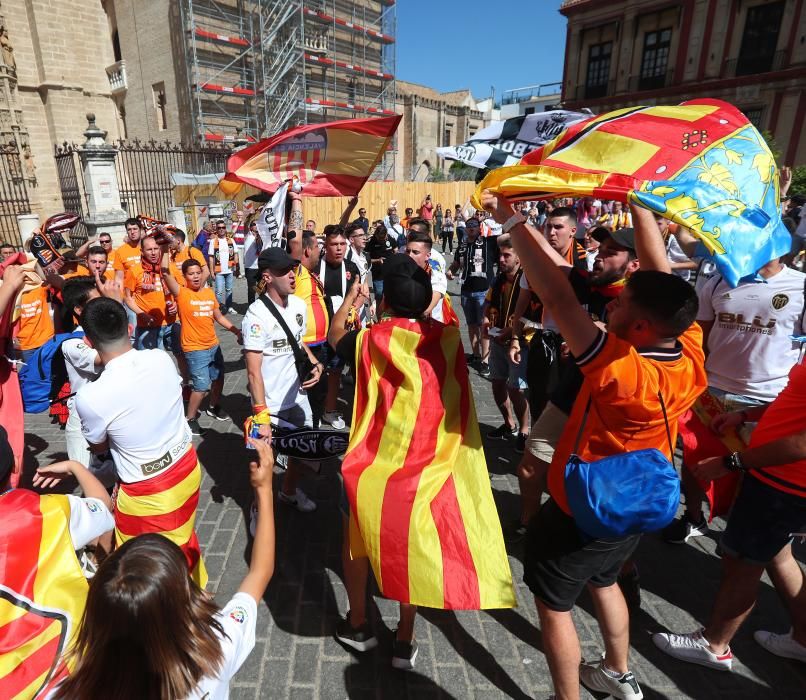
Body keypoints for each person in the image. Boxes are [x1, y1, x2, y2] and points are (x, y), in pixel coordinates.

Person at [483, 191, 706, 700]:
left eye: (624, 303)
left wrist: (511, 218)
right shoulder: (689, 349)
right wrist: (640, 205)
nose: (616, 304)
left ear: (643, 324)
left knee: (554, 603)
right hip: (637, 501)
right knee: (605, 581)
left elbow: (559, 298)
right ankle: (617, 670)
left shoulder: (619, 369)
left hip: (583, 504)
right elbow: (660, 274)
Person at [51, 437, 276, 700]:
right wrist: (264, 490)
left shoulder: (70, 685)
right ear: (184, 602)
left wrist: (78, 468)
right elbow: (260, 571)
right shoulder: (216, 650)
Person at [653, 361, 806, 670]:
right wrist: (746, 415)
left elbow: (803, 443)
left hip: (783, 483)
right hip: (778, 480)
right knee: (777, 555)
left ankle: (714, 645)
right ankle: (803, 639)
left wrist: (732, 462)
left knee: (744, 564)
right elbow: (795, 399)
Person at [663, 249, 805, 543]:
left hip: (765, 400)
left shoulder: (801, 286)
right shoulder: (717, 280)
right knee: (694, 461)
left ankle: (741, 534)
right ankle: (693, 517)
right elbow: (699, 336)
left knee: (751, 472)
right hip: (710, 393)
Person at [75, 297, 208, 586]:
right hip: (186, 467)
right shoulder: (160, 357)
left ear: (87, 341)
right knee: (181, 545)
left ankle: (179, 618)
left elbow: (98, 447)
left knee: (149, 577)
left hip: (148, 494)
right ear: (129, 326)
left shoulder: (90, 397)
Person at [0, 443, 115, 695]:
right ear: (16, 467)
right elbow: (103, 506)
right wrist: (76, 467)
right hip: (69, 672)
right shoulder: (48, 511)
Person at [242, 247, 324, 513]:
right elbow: (253, 372)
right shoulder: (255, 316)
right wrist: (261, 415)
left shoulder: (299, 305)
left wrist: (315, 363)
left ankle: (288, 493)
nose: (292, 275)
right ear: (267, 277)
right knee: (265, 464)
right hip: (270, 407)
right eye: (283, 271)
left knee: (301, 454)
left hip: (298, 400)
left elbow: (298, 342)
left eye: (293, 269)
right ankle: (258, 509)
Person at [161, 256, 242, 435]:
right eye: (191, 274)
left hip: (213, 346)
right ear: (184, 277)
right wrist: (165, 248)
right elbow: (165, 271)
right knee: (201, 386)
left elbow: (218, 317)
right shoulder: (182, 293)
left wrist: (236, 331)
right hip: (195, 349)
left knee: (219, 378)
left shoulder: (208, 293)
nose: (196, 276)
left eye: (198, 273)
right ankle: (189, 419)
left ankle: (213, 407)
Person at [484, 235, 529, 452]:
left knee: (515, 388)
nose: (501, 259)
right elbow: (488, 301)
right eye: (500, 255)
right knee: (497, 383)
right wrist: (485, 319)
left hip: (519, 342)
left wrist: (511, 333)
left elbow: (530, 314)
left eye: (506, 255)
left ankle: (524, 429)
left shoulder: (528, 280)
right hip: (497, 339)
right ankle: (508, 423)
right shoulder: (499, 279)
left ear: (519, 258)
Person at [320, 226, 361, 430]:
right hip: (319, 330)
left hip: (343, 329)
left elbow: (361, 292)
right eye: (334, 244)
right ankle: (318, 409)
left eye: (342, 244)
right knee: (319, 371)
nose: (339, 248)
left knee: (339, 371)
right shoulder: (315, 267)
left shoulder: (352, 267)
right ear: (325, 245)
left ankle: (334, 410)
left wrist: (355, 308)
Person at [448, 217, 494, 375]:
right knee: (472, 325)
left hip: (483, 291)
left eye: (474, 226)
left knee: (484, 326)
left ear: (480, 227)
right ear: (466, 228)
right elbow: (456, 263)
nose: (471, 229)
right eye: (469, 226)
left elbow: (507, 236)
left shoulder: (488, 243)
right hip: (466, 290)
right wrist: (450, 271)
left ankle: (485, 360)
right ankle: (475, 355)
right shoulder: (462, 245)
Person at [123, 235, 176, 351]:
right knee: (150, 363)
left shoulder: (169, 268)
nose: (153, 253)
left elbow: (181, 291)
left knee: (180, 357)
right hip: (147, 325)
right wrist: (142, 314)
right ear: (142, 251)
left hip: (170, 322)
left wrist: (176, 304)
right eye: (149, 249)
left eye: (156, 249)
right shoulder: (134, 270)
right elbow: (127, 298)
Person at [404, 229, 449, 323]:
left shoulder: (435, 274)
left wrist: (423, 313)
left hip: (429, 328)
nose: (410, 255)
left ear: (427, 256)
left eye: (415, 252)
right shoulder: (401, 270)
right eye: (408, 251)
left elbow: (434, 297)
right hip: (403, 327)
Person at [208, 220, 238, 315]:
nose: (221, 229)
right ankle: (219, 308)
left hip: (229, 270)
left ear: (225, 229)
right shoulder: (213, 242)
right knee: (219, 292)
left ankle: (229, 307)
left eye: (223, 227)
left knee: (229, 290)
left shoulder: (231, 240)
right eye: (219, 228)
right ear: (216, 229)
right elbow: (211, 258)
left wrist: (236, 267)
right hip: (218, 271)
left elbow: (236, 254)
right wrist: (212, 272)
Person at [366, 222, 396, 301]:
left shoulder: (390, 239)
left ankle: (385, 311)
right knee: (379, 293)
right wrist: (377, 260)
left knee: (390, 293)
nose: (381, 240)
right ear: (376, 235)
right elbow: (366, 260)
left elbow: (396, 250)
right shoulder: (371, 242)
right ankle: (377, 310)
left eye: (383, 238)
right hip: (377, 273)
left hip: (390, 272)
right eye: (379, 238)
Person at [113, 218, 145, 283]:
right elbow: (119, 278)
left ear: (141, 230)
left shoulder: (149, 247)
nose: (132, 232)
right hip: (129, 291)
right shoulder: (120, 251)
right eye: (129, 230)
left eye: (135, 229)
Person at [242, 218, 263, 306]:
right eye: (254, 224)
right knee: (251, 289)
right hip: (250, 267)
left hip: (260, 267)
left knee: (262, 288)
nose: (256, 225)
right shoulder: (248, 235)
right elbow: (245, 223)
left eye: (258, 224)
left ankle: (261, 306)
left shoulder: (262, 236)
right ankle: (251, 307)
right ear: (250, 227)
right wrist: (251, 214)